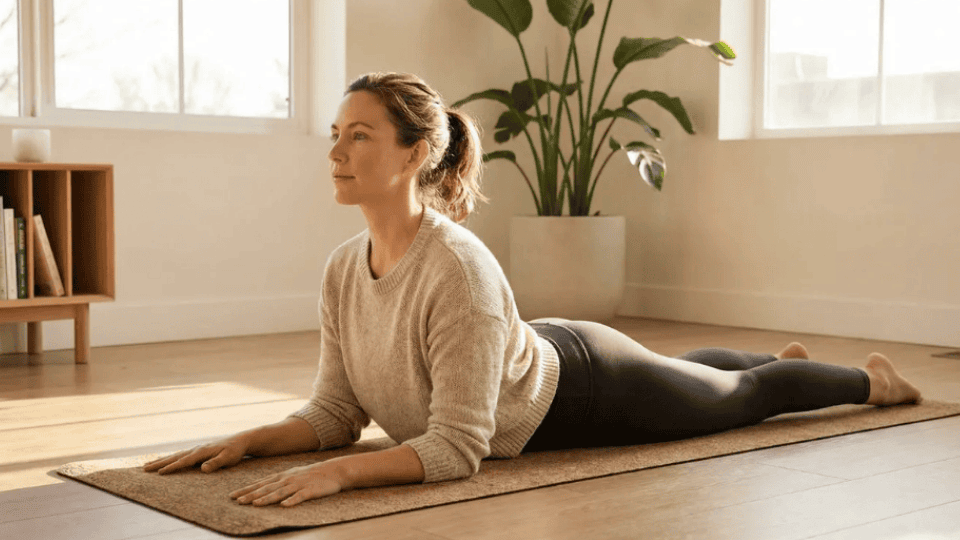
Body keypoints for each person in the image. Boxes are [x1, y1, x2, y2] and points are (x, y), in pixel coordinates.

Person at [143, 72, 923, 508]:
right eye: (335, 134)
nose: (336, 152)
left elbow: (456, 450)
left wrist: (341, 473)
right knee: (702, 372)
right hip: (535, 350)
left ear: (415, 154)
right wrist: (254, 440)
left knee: (737, 400)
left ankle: (868, 381)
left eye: (359, 136)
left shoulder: (457, 266)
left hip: (582, 387)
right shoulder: (344, 267)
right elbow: (338, 412)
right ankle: (756, 357)